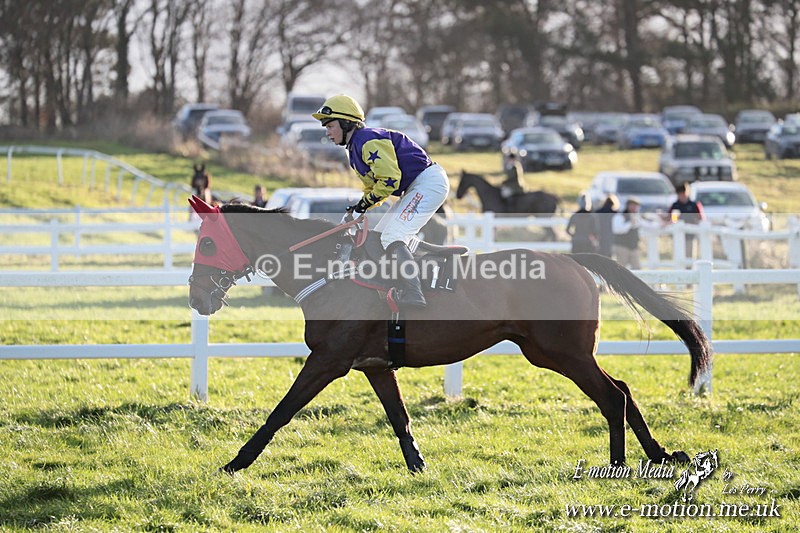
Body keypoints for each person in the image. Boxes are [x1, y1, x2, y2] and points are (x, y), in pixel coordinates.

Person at [312, 94, 450, 310]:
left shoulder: (367, 141)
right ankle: (396, 282)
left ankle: (414, 292)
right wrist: (357, 210)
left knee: (393, 235)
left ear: (347, 123)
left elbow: (389, 180)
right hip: (417, 185)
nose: (327, 132)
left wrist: (362, 208)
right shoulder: (355, 150)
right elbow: (372, 188)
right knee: (379, 236)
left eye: (330, 126)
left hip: (427, 183)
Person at [665, 182, 705, 259]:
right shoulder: (675, 205)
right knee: (678, 256)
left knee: (689, 256)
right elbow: (669, 217)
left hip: (690, 235)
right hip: (677, 234)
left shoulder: (694, 205)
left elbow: (701, 218)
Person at [612, 197, 642, 269]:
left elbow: (646, 224)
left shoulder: (637, 216)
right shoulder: (619, 216)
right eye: (632, 205)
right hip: (622, 246)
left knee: (637, 268)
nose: (634, 208)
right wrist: (630, 223)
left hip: (634, 247)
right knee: (621, 268)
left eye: (636, 206)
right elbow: (617, 230)